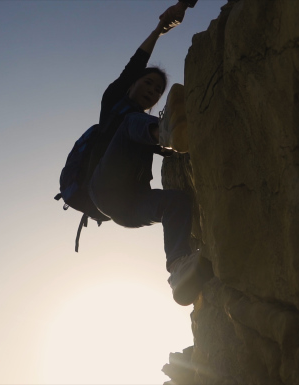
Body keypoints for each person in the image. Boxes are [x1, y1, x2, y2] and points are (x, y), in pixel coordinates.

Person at [89, 0, 212, 306]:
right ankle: (168, 130)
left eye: (158, 90)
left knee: (177, 201)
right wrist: (159, 29)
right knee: (135, 123)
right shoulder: (115, 103)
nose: (153, 90)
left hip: (129, 209)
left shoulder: (144, 130)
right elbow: (136, 62)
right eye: (148, 83)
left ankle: (178, 267)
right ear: (132, 85)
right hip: (104, 189)